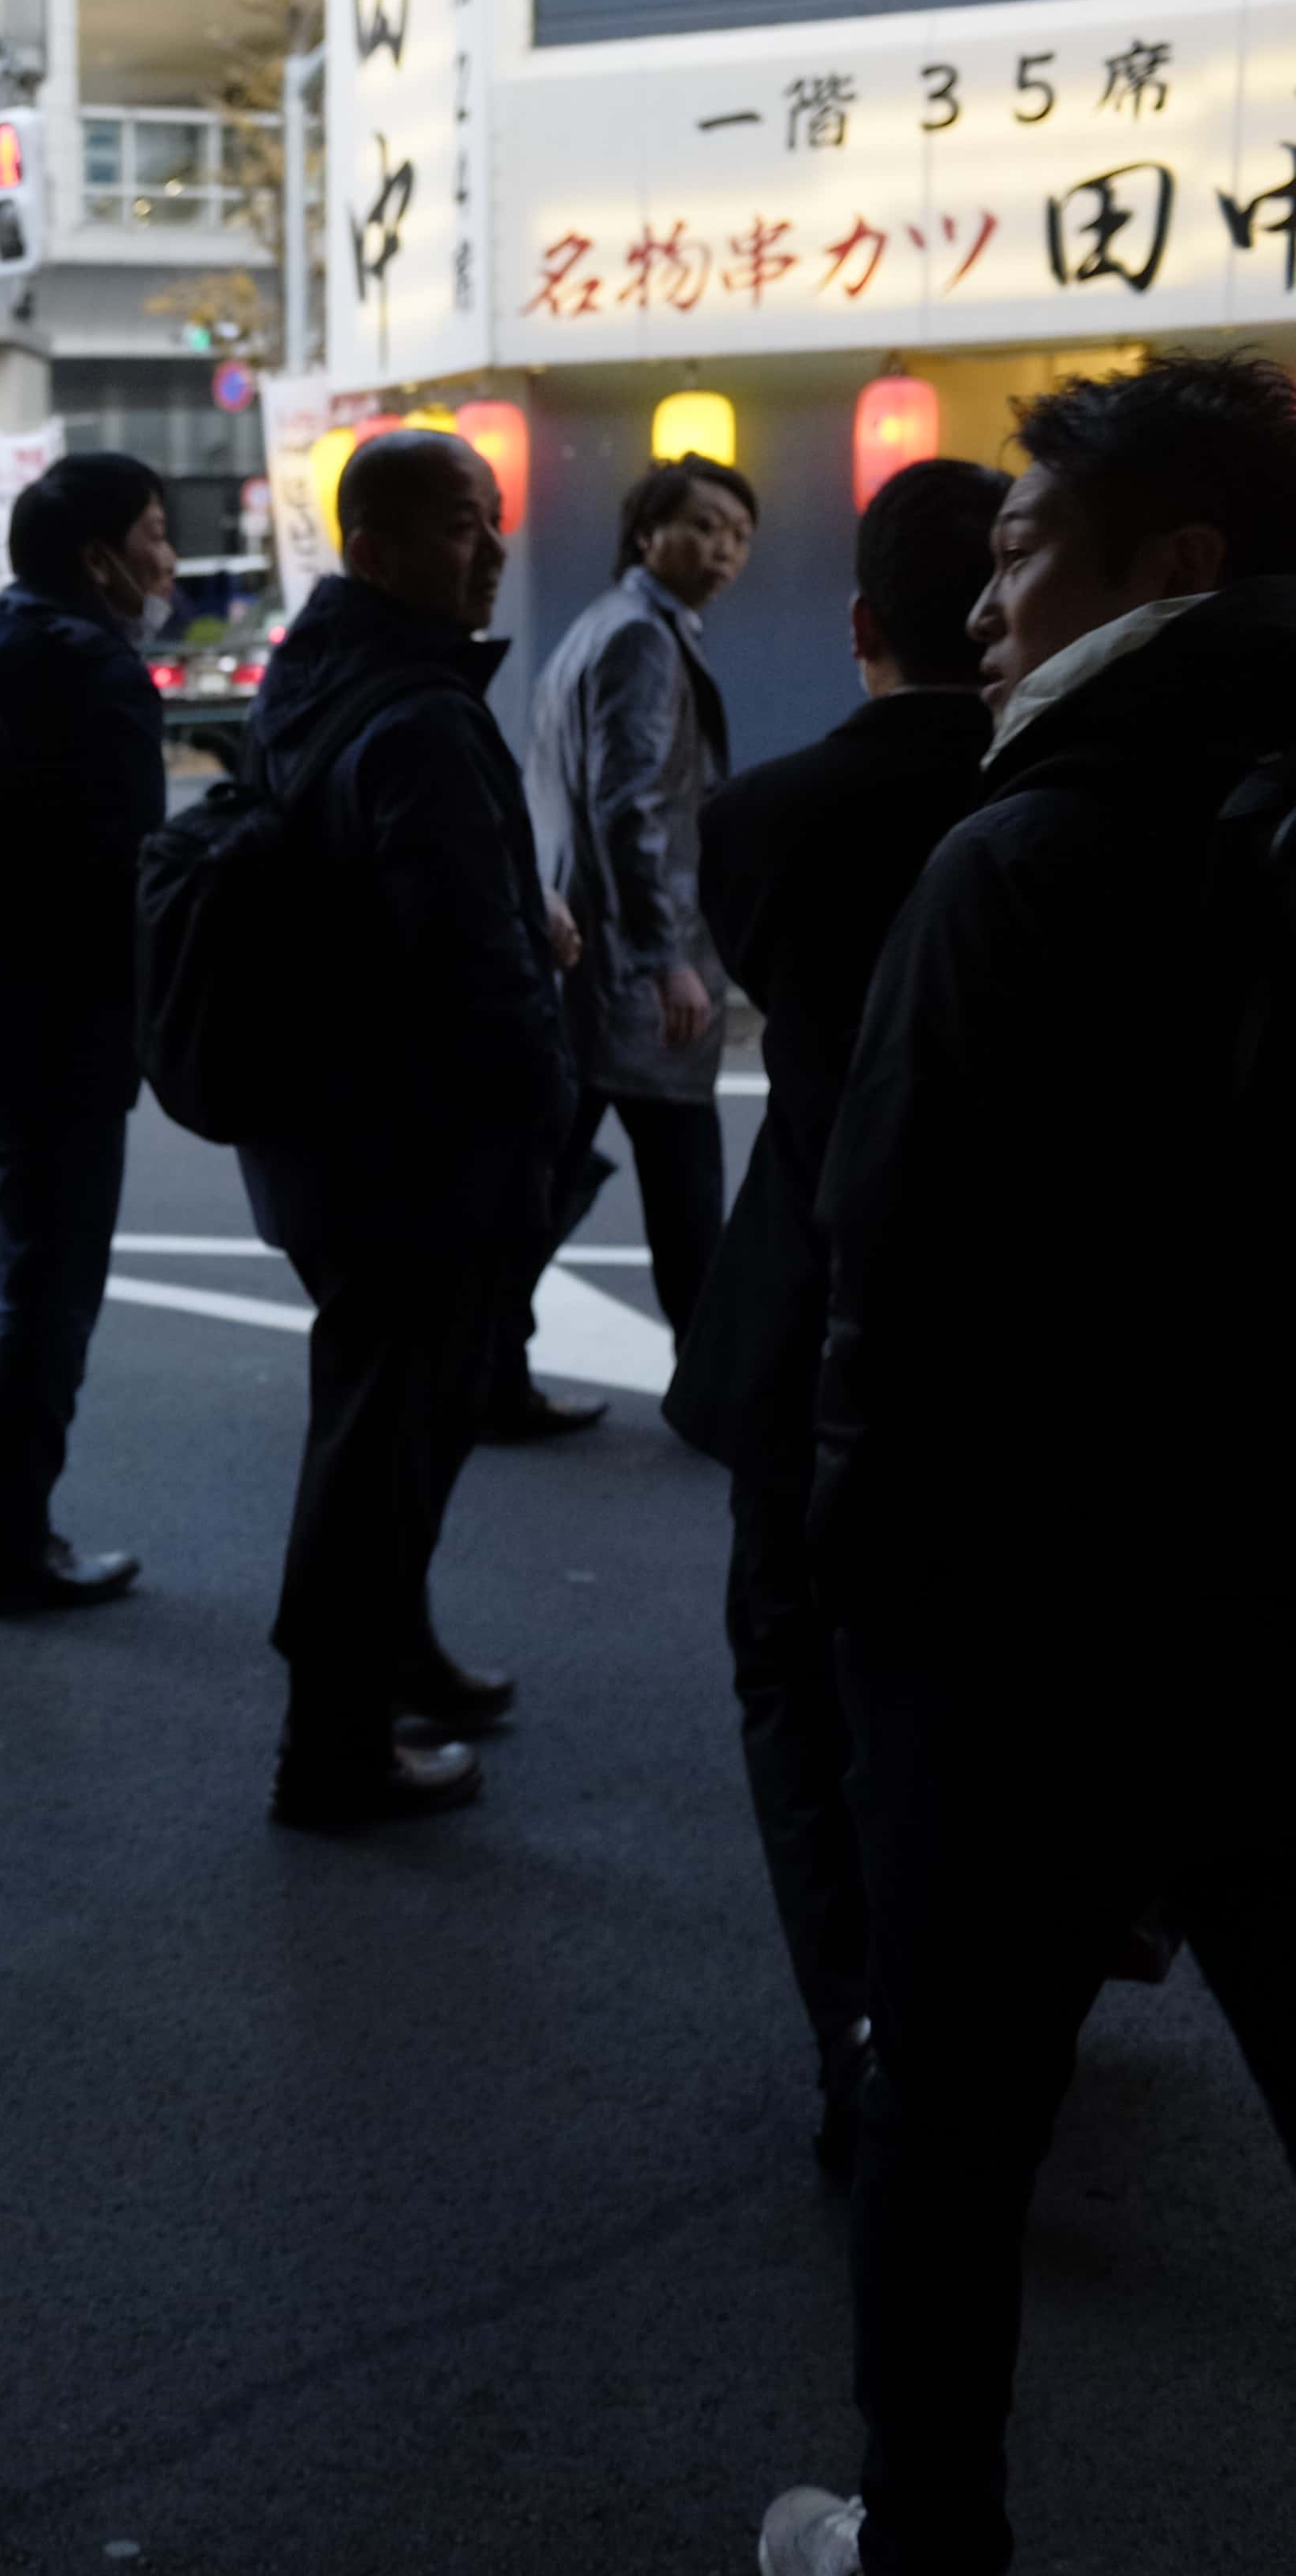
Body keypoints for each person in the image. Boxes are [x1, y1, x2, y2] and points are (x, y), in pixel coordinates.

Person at [760, 351, 1296, 2576]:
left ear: (1170, 568)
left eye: (1021, 553)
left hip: (1017, 1618)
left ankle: (924, 2542)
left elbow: (895, 1272)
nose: (987, 602)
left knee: (952, 2112)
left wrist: (852, 1590)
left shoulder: (1028, 851)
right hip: (1273, 1592)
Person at [662, 459, 1005, 2183]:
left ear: (860, 622)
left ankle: (862, 2030)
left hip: (813, 1303)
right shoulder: (1070, 804)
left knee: (797, 1672)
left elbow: (760, 990)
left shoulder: (764, 821)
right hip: (1027, 1320)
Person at [232, 428, 570, 1829]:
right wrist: (537, 1104)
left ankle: (393, 1658)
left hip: (326, 1128)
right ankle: (335, 1746)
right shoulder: (417, 713)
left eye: (490, 521)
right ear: (367, 545)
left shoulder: (312, 680)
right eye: (455, 525)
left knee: (385, 1424)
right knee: (379, 1439)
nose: (488, 548)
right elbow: (465, 964)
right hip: (416, 1145)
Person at [0, 451, 170, 1614]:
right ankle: (12, 1544)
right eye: (154, 533)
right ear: (101, 559)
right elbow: (124, 874)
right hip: (55, 1024)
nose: (168, 556)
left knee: (23, 1260)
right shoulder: (97, 673)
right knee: (50, 1282)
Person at [491, 452, 757, 1440]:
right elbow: (629, 805)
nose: (724, 547)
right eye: (703, 525)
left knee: (555, 1172)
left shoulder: (605, 628)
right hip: (624, 969)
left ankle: (485, 1363)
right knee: (684, 1183)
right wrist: (665, 956)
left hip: (581, 960)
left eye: (738, 531)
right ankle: (712, 1387)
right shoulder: (642, 639)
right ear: (646, 535)